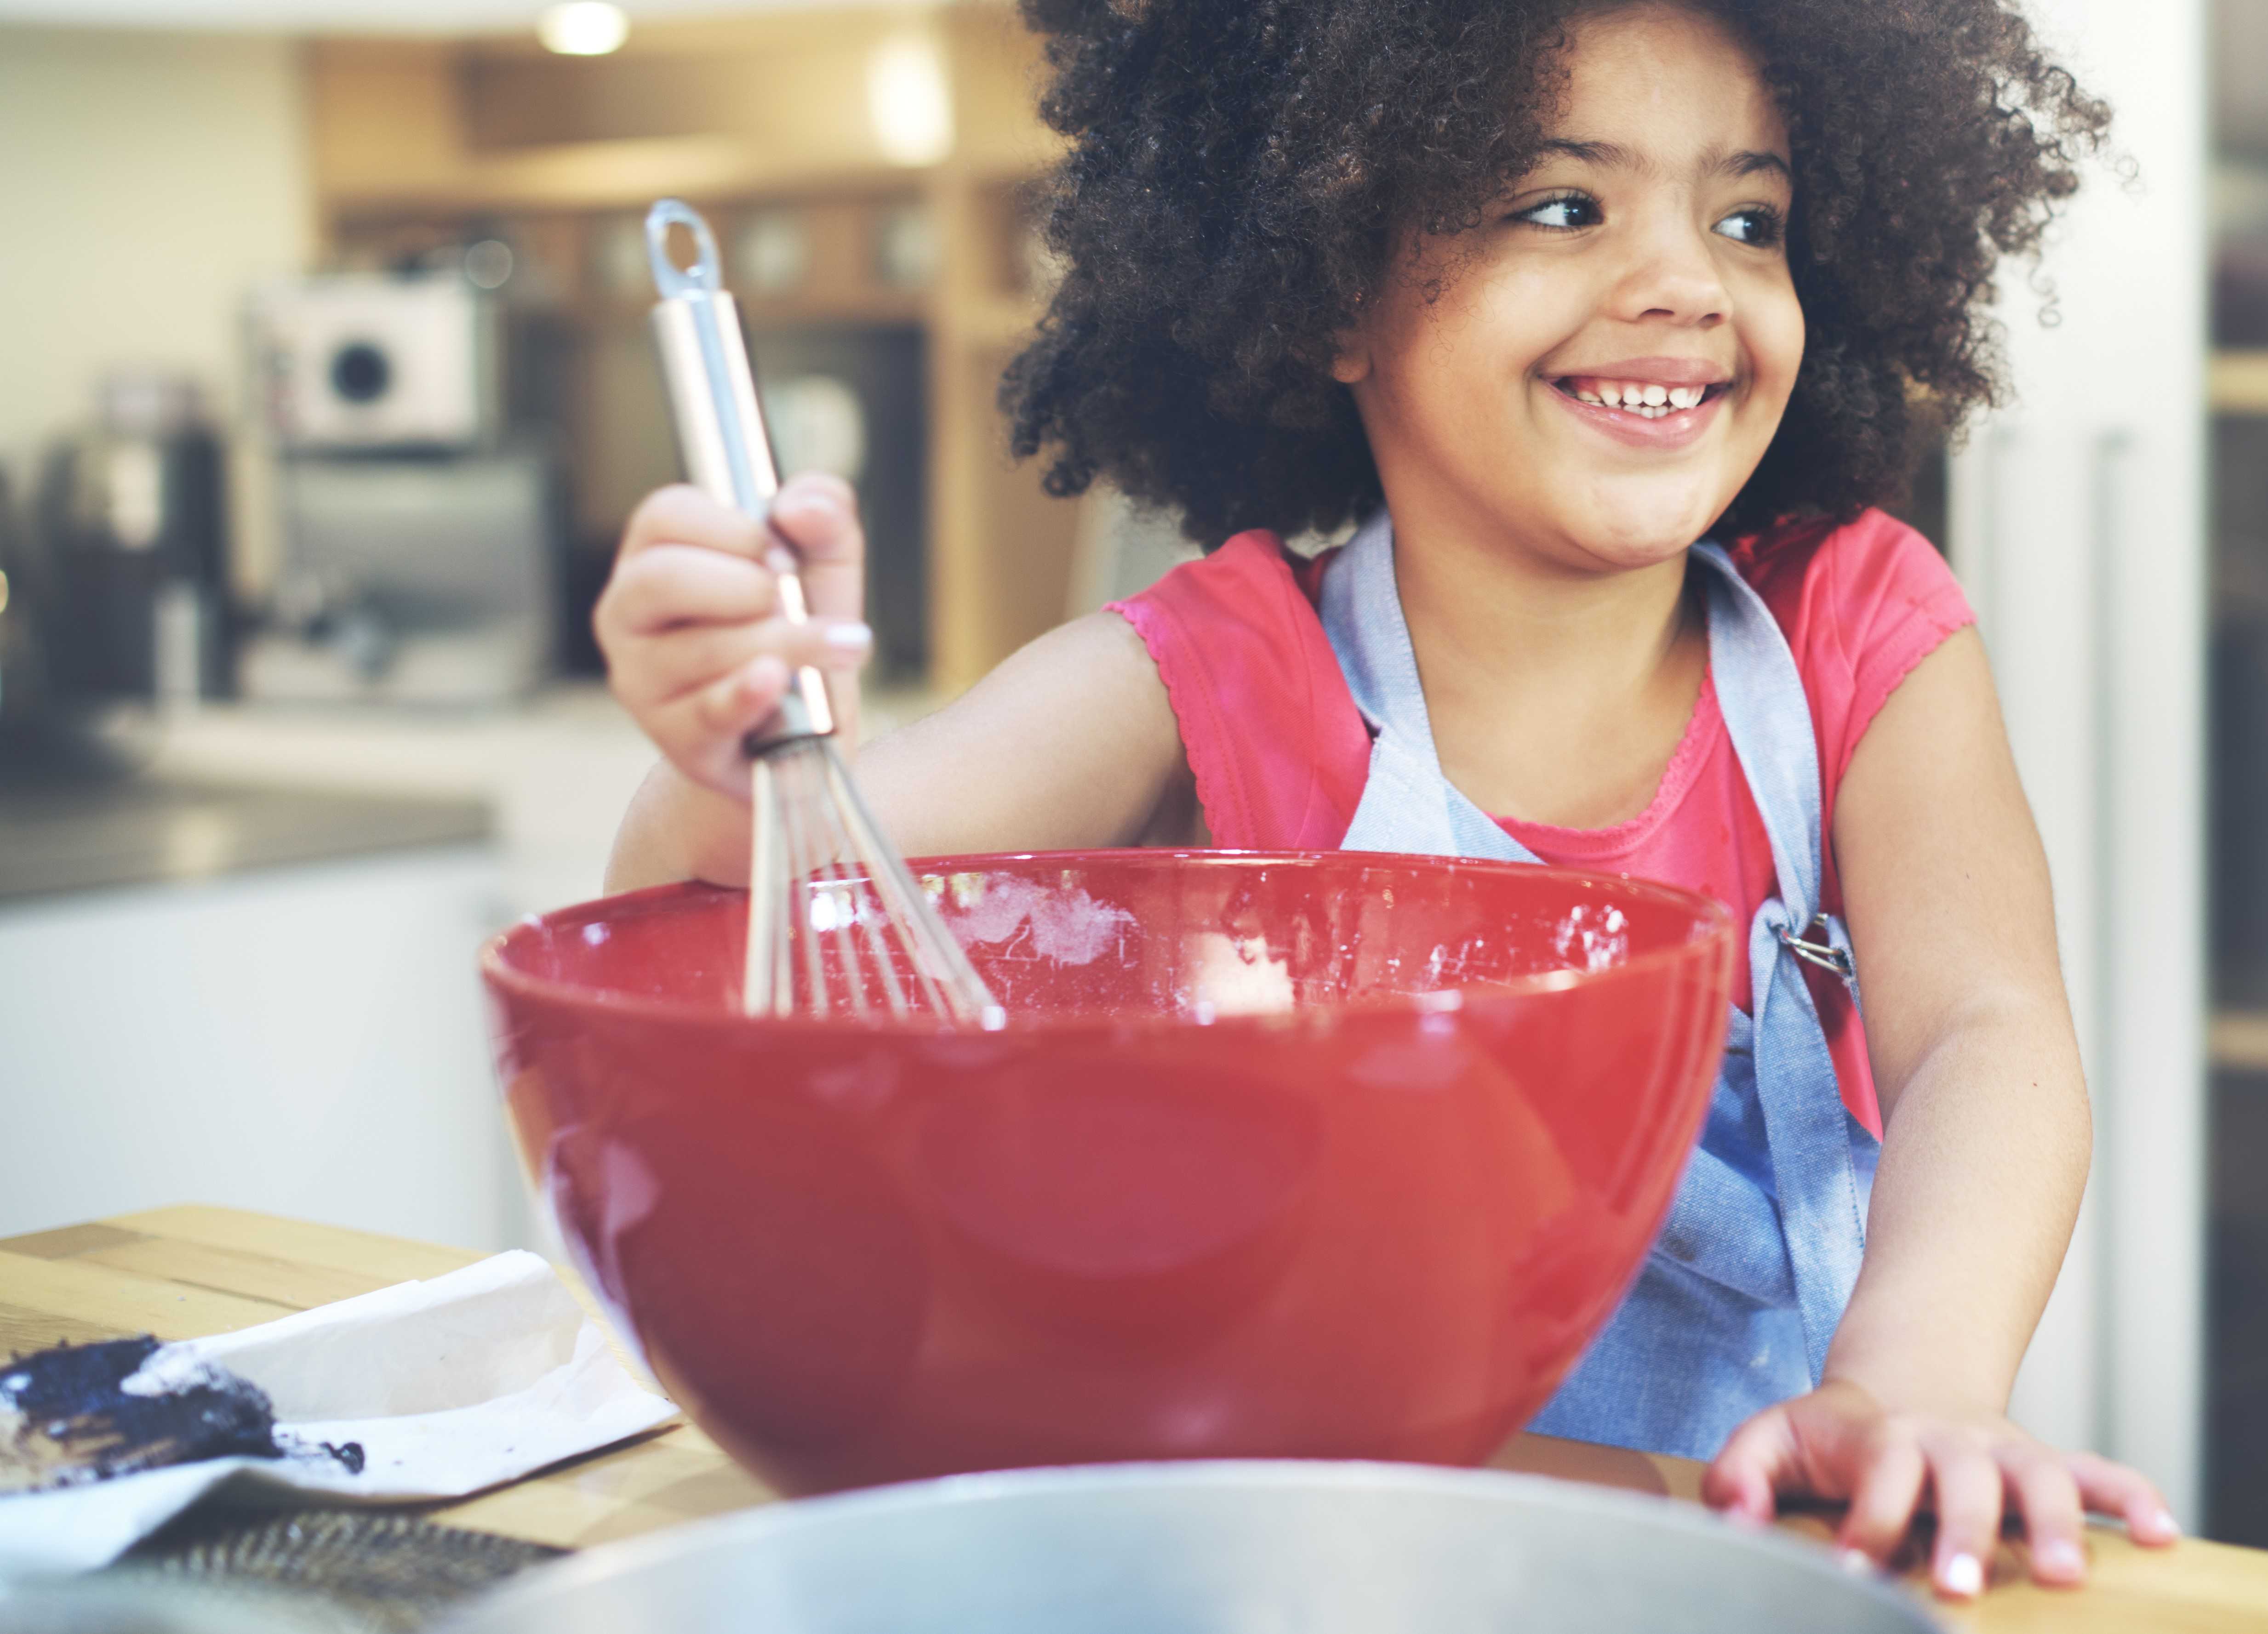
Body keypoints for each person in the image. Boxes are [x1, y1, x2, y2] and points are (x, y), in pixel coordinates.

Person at [596, 0, 2181, 1598]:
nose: (1687, 283)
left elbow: (1985, 1031)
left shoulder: (1857, 625)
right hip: (1341, 1575)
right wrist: (739, 749)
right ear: (1333, 287)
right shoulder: (1211, 670)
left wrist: (1914, 1383)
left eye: (1748, 219)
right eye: (1565, 205)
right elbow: (767, 893)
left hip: (1767, 1554)